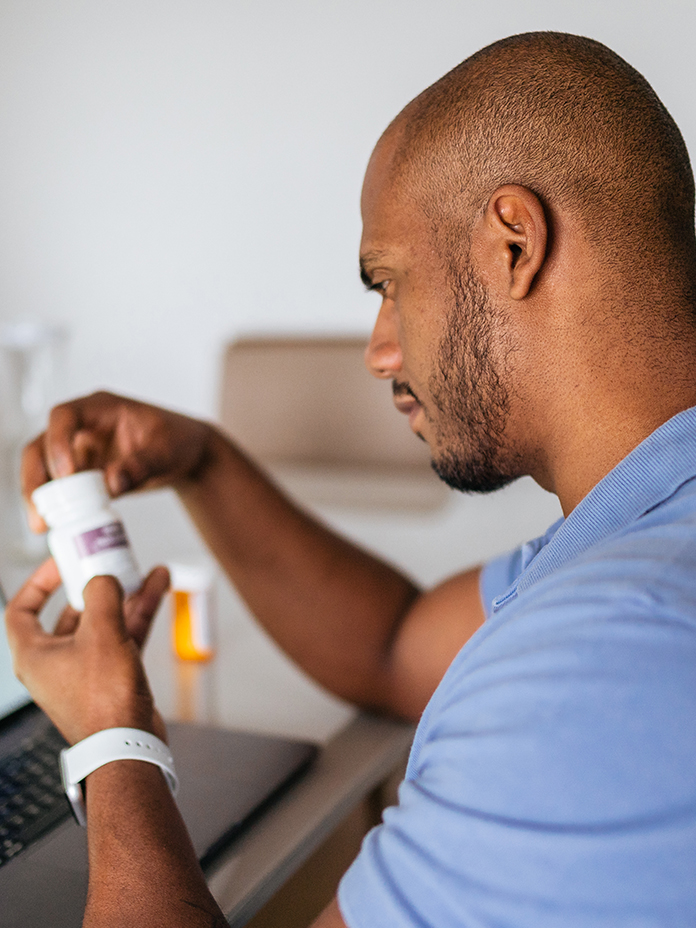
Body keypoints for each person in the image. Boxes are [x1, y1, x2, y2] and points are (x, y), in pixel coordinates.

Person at [6, 30, 696, 927]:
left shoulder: (601, 659)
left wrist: (110, 735)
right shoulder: (640, 529)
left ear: (515, 245)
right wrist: (203, 462)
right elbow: (394, 644)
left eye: (388, 282)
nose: (378, 350)